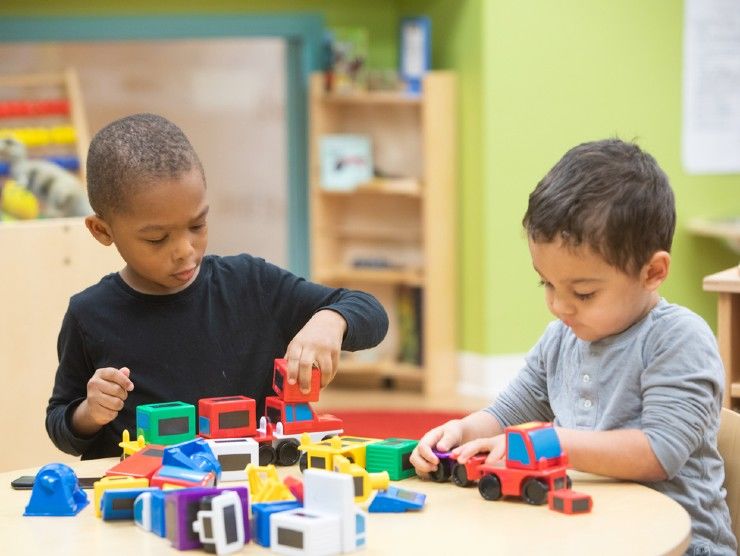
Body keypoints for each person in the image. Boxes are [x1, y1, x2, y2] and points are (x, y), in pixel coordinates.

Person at [410, 139, 737, 555]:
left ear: (652, 272)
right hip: (589, 531)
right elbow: (507, 413)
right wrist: (460, 432)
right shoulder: (561, 338)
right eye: (546, 284)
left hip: (682, 544)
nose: (559, 306)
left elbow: (659, 451)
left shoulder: (677, 339)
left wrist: (551, 442)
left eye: (583, 293)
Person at [46, 113, 388, 460]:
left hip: (250, 488)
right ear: (103, 231)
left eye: (198, 225)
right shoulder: (89, 314)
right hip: (147, 495)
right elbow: (61, 423)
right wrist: (90, 413)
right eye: (157, 238)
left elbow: (370, 312)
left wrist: (330, 320)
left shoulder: (252, 284)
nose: (185, 250)